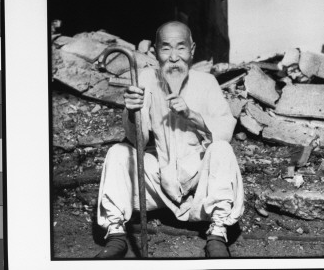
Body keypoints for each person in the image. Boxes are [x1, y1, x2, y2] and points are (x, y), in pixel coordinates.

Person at [95, 21, 244, 259]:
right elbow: (138, 141)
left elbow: (225, 131)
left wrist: (191, 115)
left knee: (222, 150)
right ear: (155, 52)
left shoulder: (207, 83)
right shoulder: (144, 78)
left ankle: (217, 232)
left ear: (192, 50)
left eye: (181, 48)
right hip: (160, 185)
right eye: (166, 49)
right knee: (118, 152)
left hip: (199, 188)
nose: (174, 57)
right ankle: (116, 235)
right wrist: (132, 113)